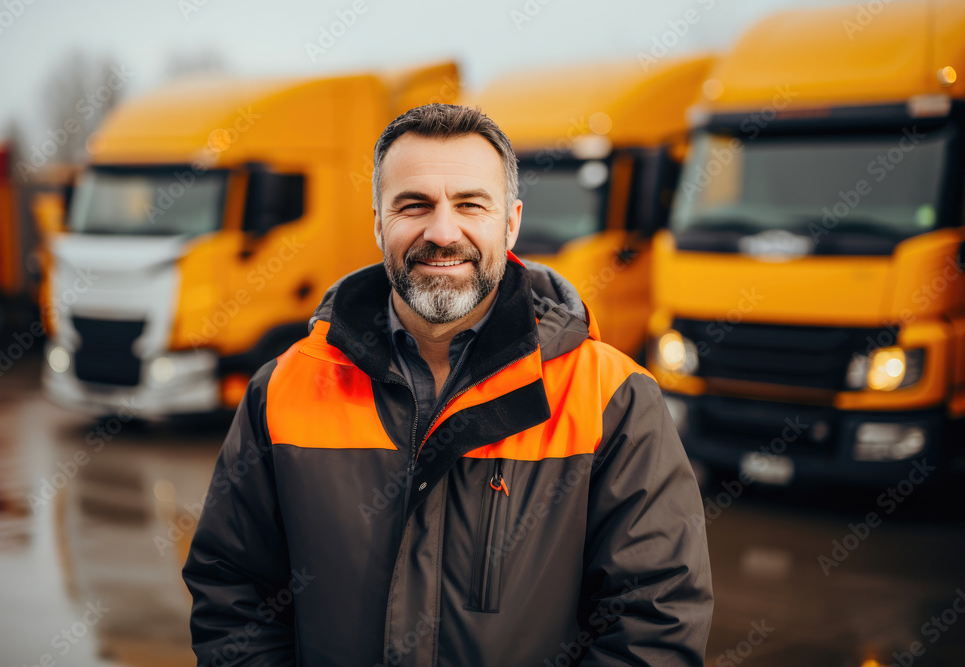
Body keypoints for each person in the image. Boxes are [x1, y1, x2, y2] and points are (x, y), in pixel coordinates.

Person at [182, 103, 713, 666]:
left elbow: (655, 621)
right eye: (414, 205)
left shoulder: (614, 400)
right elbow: (233, 597)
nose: (442, 231)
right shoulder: (281, 391)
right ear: (378, 222)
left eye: (469, 205)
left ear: (510, 222)